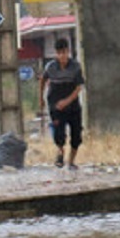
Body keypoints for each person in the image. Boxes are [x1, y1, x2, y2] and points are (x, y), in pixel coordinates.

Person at [40, 38, 85, 170]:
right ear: (56, 53)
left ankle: (71, 162)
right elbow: (42, 80)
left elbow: (78, 87)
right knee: (59, 133)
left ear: (68, 52)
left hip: (72, 106)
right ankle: (60, 153)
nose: (62, 56)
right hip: (56, 105)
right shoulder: (51, 67)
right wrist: (41, 99)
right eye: (59, 53)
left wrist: (67, 101)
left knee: (76, 135)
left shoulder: (75, 67)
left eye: (64, 52)